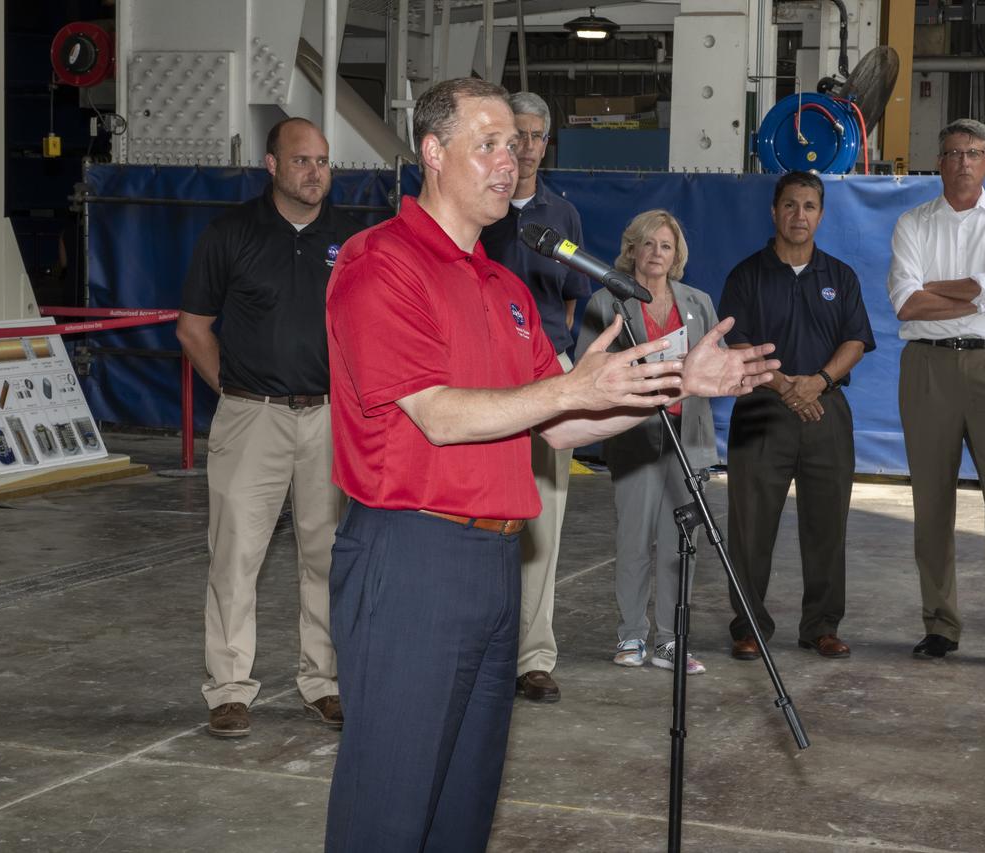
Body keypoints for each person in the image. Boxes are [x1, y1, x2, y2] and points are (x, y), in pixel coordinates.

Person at [323, 77, 779, 853]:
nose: (512, 162)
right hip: (412, 556)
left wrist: (680, 382)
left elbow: (563, 425)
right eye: (489, 145)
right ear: (433, 152)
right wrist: (568, 386)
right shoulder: (382, 262)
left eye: (518, 146)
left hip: (496, 561)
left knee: (461, 811)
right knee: (389, 808)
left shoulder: (503, 284)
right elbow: (436, 413)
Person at [176, 117, 361, 739]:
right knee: (235, 556)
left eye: (323, 162)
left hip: (330, 419)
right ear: (272, 165)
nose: (315, 173)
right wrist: (236, 390)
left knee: (329, 556)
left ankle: (324, 682)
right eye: (302, 161)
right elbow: (193, 328)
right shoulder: (230, 234)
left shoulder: (352, 239)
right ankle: (229, 690)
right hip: (251, 417)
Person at [887, 118, 985, 676]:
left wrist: (940, 289)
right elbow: (906, 303)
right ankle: (940, 626)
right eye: (954, 152)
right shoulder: (912, 222)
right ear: (939, 161)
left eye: (974, 153)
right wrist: (980, 291)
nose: (963, 162)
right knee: (931, 500)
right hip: (927, 369)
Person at [717, 171, 875, 662]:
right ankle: (749, 627)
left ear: (821, 215)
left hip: (825, 410)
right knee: (750, 527)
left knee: (827, 524)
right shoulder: (746, 275)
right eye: (790, 205)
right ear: (774, 211)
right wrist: (786, 386)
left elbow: (856, 341)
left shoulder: (840, 277)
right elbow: (737, 345)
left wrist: (818, 382)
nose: (799, 215)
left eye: (809, 206)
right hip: (762, 411)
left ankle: (821, 627)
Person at [479, 90, 591, 704]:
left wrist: (553, 359)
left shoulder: (563, 215)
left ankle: (533, 657)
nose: (523, 147)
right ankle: (482, 647)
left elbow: (569, 302)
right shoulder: (481, 208)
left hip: (550, 374)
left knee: (544, 520)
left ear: (547, 144)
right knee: (483, 514)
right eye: (512, 135)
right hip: (486, 380)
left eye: (534, 136)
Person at [574, 210, 721, 675]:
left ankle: (672, 642)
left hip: (687, 439)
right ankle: (632, 635)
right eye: (649, 243)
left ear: (677, 256)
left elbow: (715, 365)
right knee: (634, 539)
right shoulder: (606, 302)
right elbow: (585, 369)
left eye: (666, 245)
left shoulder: (698, 302)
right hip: (634, 438)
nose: (657, 253)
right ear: (632, 249)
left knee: (682, 543)